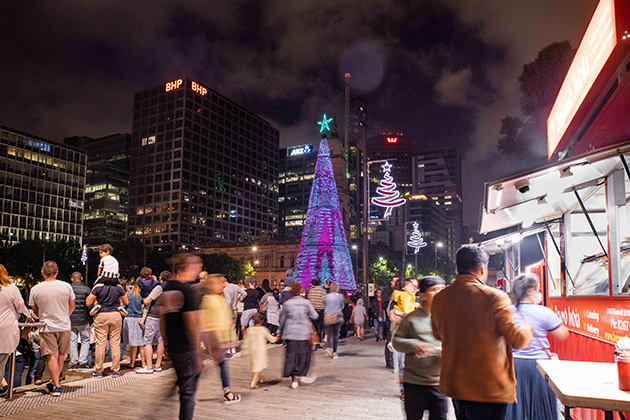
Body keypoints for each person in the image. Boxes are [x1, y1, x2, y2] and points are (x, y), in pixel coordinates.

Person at [431, 245, 531, 420]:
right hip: (487, 388)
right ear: (483, 268)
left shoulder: (440, 298)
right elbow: (519, 341)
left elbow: (437, 334)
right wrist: (526, 325)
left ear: (457, 268)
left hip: (456, 386)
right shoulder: (494, 297)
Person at [505, 273, 569, 420]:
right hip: (540, 366)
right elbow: (562, 334)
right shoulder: (544, 312)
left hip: (513, 364)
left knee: (516, 405)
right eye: (537, 289)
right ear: (530, 291)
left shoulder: (507, 312)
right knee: (541, 405)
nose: (538, 293)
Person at [394, 276, 447, 420]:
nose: (439, 293)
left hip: (440, 384)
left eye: (442, 289)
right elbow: (397, 341)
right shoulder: (411, 318)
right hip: (414, 383)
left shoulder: (449, 318)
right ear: (422, 295)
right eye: (434, 290)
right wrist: (413, 345)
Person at [159, 253, 203, 420]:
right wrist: (198, 353)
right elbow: (192, 324)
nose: (200, 270)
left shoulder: (167, 289)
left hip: (174, 346)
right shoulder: (187, 290)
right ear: (189, 267)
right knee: (188, 392)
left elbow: (162, 319)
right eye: (198, 266)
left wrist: (166, 344)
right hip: (186, 347)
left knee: (184, 385)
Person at [29, 261, 75, 397]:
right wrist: (64, 316)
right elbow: (71, 306)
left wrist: (43, 315)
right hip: (64, 325)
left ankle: (55, 385)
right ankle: (55, 383)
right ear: (56, 272)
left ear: (42, 272)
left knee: (52, 355)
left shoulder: (36, 289)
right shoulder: (66, 287)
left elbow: (34, 308)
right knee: (62, 355)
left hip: (46, 325)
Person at [199, 274, 241, 404]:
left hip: (210, 336)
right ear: (212, 285)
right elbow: (220, 322)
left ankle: (190, 391)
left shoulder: (209, 299)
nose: (222, 285)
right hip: (214, 337)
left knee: (205, 366)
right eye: (219, 283)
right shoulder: (213, 300)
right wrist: (228, 341)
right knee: (220, 365)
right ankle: (227, 393)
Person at [86, 271, 128, 378]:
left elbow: (88, 302)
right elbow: (126, 302)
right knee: (115, 342)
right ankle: (115, 370)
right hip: (115, 315)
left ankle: (99, 370)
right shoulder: (119, 288)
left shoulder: (98, 287)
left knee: (101, 343)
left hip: (101, 315)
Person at [278, 282, 318, 389]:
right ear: (300, 291)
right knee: (303, 356)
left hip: (290, 333)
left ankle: (294, 380)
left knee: (292, 357)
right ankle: (301, 374)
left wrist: (279, 332)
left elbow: (282, 320)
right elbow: (315, 315)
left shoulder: (287, 304)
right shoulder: (306, 303)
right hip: (303, 333)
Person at [0, 264, 30, 396]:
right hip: (6, 329)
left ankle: (3, 386)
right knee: (2, 360)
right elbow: (21, 306)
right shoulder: (11, 289)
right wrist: (27, 316)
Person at [137, 270, 168, 374]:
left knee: (147, 341)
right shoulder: (171, 288)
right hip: (164, 317)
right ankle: (158, 365)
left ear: (160, 278)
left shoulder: (159, 287)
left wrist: (144, 297)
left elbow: (147, 301)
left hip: (153, 316)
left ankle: (149, 366)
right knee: (161, 341)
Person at [242, 313, 279, 389]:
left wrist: (244, 349)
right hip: (260, 350)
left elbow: (246, 341)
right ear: (262, 321)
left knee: (257, 365)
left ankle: (261, 378)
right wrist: (276, 338)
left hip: (252, 350)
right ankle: (253, 382)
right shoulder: (263, 330)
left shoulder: (249, 330)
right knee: (258, 366)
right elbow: (271, 339)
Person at [91, 244, 126, 317]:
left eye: (101, 253)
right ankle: (121, 305)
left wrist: (98, 276)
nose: (100, 255)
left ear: (107, 252)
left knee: (94, 287)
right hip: (115, 278)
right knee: (119, 289)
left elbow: (100, 268)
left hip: (106, 276)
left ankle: (95, 304)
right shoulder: (115, 259)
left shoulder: (103, 259)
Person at [69, 272, 91, 369]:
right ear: (81, 278)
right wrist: (90, 318)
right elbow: (89, 305)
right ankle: (83, 361)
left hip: (70, 319)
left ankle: (74, 361)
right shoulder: (86, 289)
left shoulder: (68, 289)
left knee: (72, 340)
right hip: (83, 319)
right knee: (85, 340)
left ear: (72, 279)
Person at [123, 279, 146, 369]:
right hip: (140, 318)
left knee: (133, 344)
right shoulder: (143, 294)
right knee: (141, 343)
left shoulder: (128, 293)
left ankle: (132, 363)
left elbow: (125, 306)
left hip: (130, 318)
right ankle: (143, 363)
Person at [223, 279, 247, 353]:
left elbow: (228, 301)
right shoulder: (235, 286)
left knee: (227, 329)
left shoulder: (226, 289)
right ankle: (233, 348)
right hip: (235, 309)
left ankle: (228, 348)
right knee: (233, 329)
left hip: (229, 310)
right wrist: (240, 299)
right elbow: (245, 293)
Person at [323, 283, 344, 358]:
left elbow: (324, 304)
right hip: (337, 316)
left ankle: (328, 347)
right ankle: (335, 351)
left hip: (328, 315)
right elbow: (342, 306)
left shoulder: (326, 296)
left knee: (329, 332)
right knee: (336, 334)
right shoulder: (340, 296)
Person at [306, 278, 326, 349]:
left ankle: (313, 342)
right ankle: (318, 342)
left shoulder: (309, 291)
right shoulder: (323, 291)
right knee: (320, 327)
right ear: (320, 283)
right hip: (321, 310)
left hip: (312, 311)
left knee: (313, 327)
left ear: (312, 284)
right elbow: (324, 301)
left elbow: (307, 301)